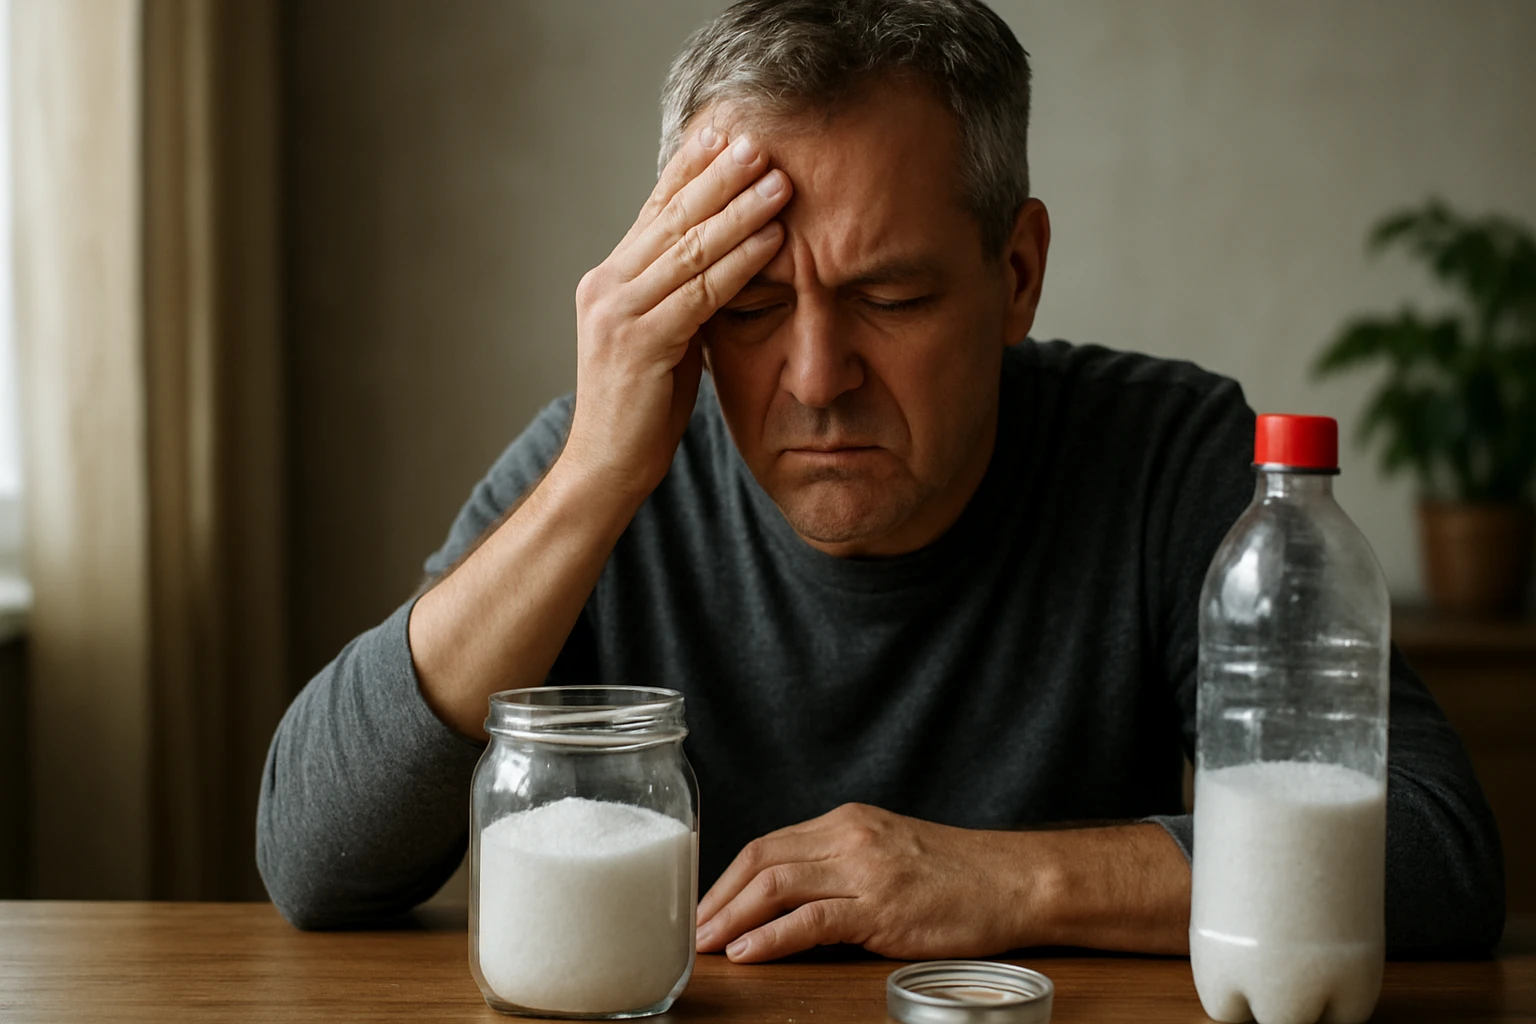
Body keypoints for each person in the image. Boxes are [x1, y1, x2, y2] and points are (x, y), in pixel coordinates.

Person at [257, 0, 1504, 962]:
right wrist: (591, 476)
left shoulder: (1170, 460)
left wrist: (998, 879)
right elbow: (314, 859)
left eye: (890, 297)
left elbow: (1437, 854)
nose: (814, 375)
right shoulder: (610, 462)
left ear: (1017, 274)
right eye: (747, 303)